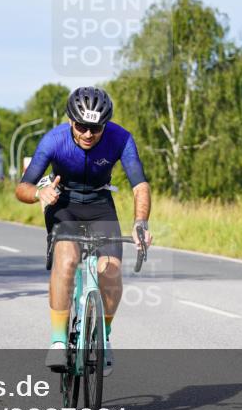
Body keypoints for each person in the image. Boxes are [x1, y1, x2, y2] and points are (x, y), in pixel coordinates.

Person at [14, 87, 152, 375]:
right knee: (66, 259)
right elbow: (22, 187)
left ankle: (104, 336)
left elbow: (140, 185)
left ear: (105, 125)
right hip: (62, 202)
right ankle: (58, 340)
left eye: (96, 128)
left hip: (100, 203)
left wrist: (140, 223)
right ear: (70, 122)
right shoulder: (54, 140)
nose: (88, 134)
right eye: (82, 127)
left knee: (111, 270)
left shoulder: (120, 138)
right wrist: (39, 195)